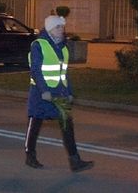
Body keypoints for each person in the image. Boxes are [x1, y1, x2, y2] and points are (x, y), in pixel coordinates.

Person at [25, 15, 94, 172]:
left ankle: (75, 161)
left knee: (67, 125)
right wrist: (44, 91)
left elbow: (64, 72)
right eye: (58, 27)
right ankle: (30, 155)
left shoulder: (63, 47)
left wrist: (69, 92)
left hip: (60, 92)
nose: (62, 30)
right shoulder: (38, 45)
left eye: (62, 27)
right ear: (50, 29)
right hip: (41, 93)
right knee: (35, 123)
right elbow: (35, 71)